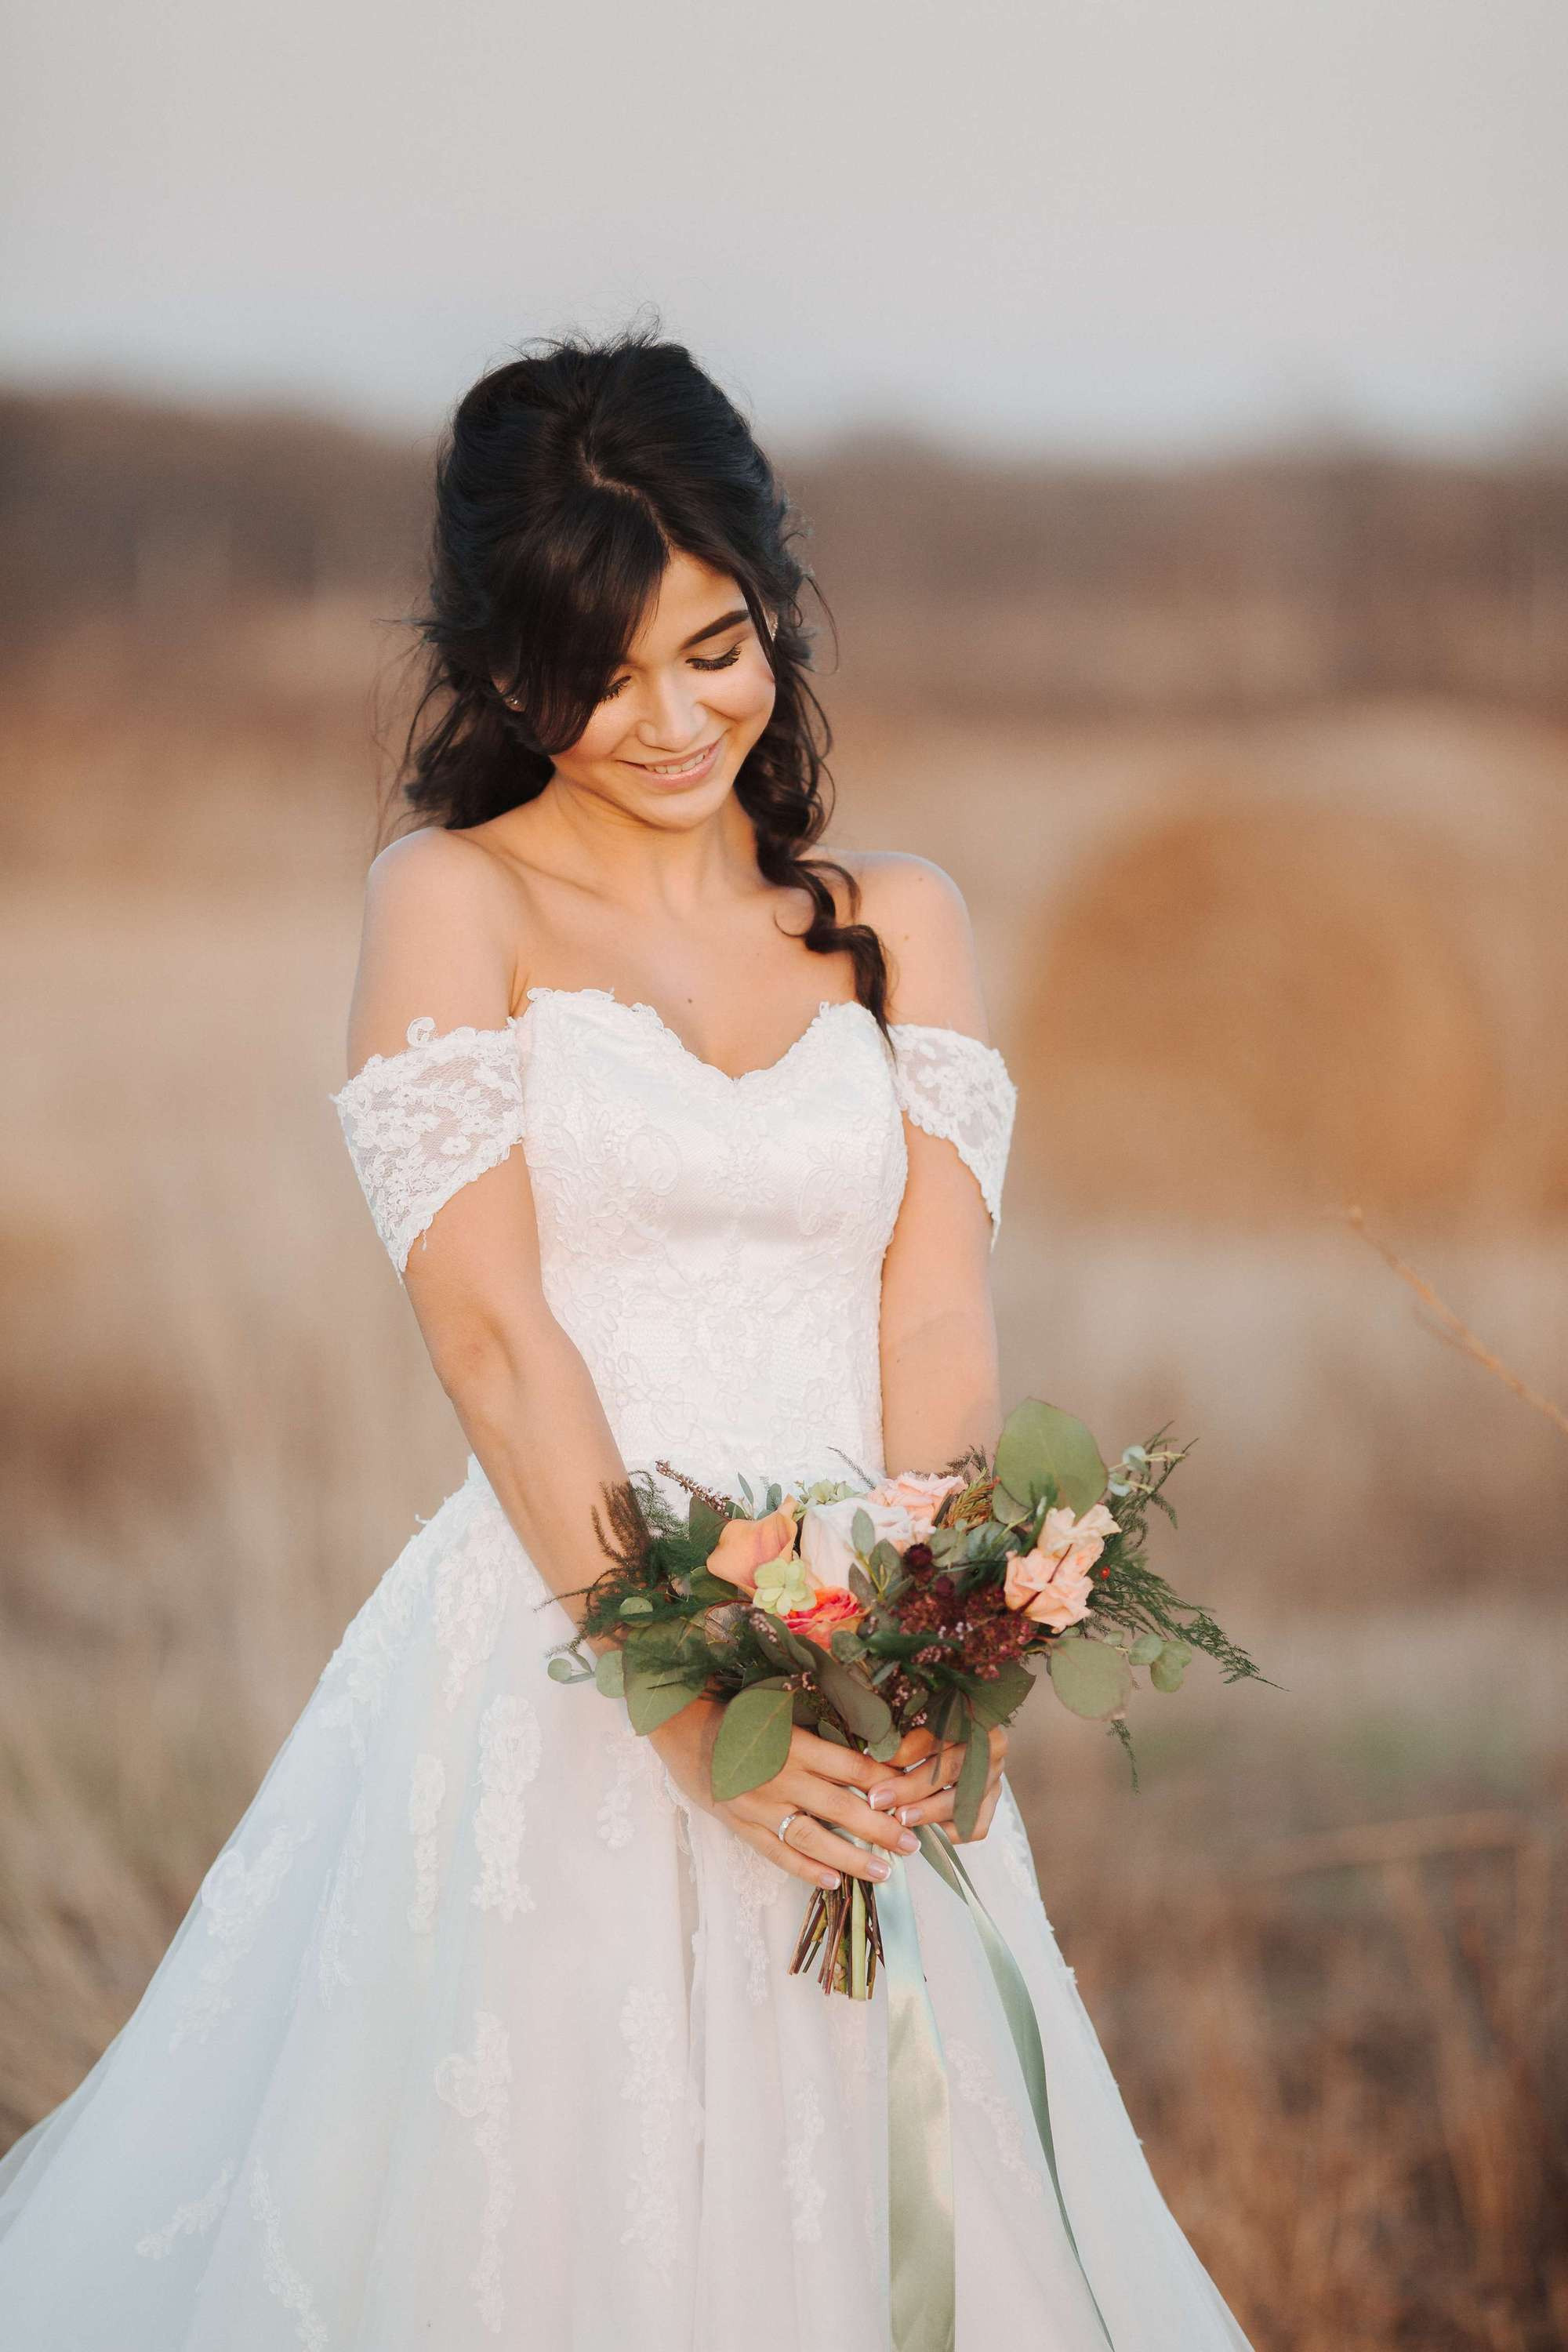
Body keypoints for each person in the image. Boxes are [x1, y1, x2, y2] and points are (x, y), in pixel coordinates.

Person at [0, 328, 1250, 2349]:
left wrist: (951, 1654)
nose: (669, 719)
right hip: (570, 1662)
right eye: (595, 669)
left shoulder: (900, 916)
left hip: (864, 1661)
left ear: (780, 604)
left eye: (715, 646)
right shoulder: (451, 901)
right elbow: (497, 1341)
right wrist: (685, 1715)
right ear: (497, 667)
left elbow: (932, 1306)